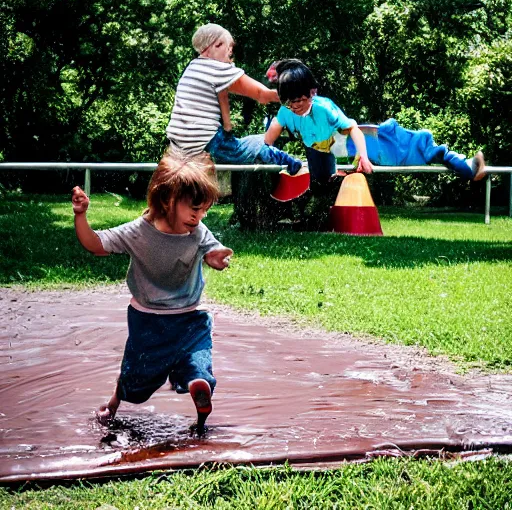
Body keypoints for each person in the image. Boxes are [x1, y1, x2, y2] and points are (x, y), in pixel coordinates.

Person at [71, 150, 233, 436]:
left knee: (194, 362)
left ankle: (199, 393)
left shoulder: (197, 230)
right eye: (194, 209)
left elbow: (211, 251)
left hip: (188, 317)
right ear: (167, 200)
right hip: (151, 320)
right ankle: (121, 399)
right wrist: (81, 216)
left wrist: (215, 257)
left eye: (204, 209)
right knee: (141, 376)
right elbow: (96, 245)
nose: (199, 216)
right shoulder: (138, 232)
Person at [265, 59, 486, 182]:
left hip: (341, 141)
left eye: (300, 101)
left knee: (392, 145)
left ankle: (463, 165)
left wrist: (364, 157)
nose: (295, 107)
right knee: (320, 182)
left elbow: (353, 129)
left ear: (310, 94)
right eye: (289, 102)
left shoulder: (325, 109)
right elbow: (268, 141)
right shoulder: (285, 112)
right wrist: (276, 154)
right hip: (317, 148)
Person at [165, 24, 302, 175]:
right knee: (244, 149)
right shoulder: (219, 69)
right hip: (204, 140)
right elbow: (263, 95)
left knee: (230, 145)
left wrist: (228, 127)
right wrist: (297, 96)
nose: (231, 52)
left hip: (178, 142)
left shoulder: (193, 67)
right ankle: (290, 163)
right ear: (217, 45)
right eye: (229, 47)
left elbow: (222, 95)